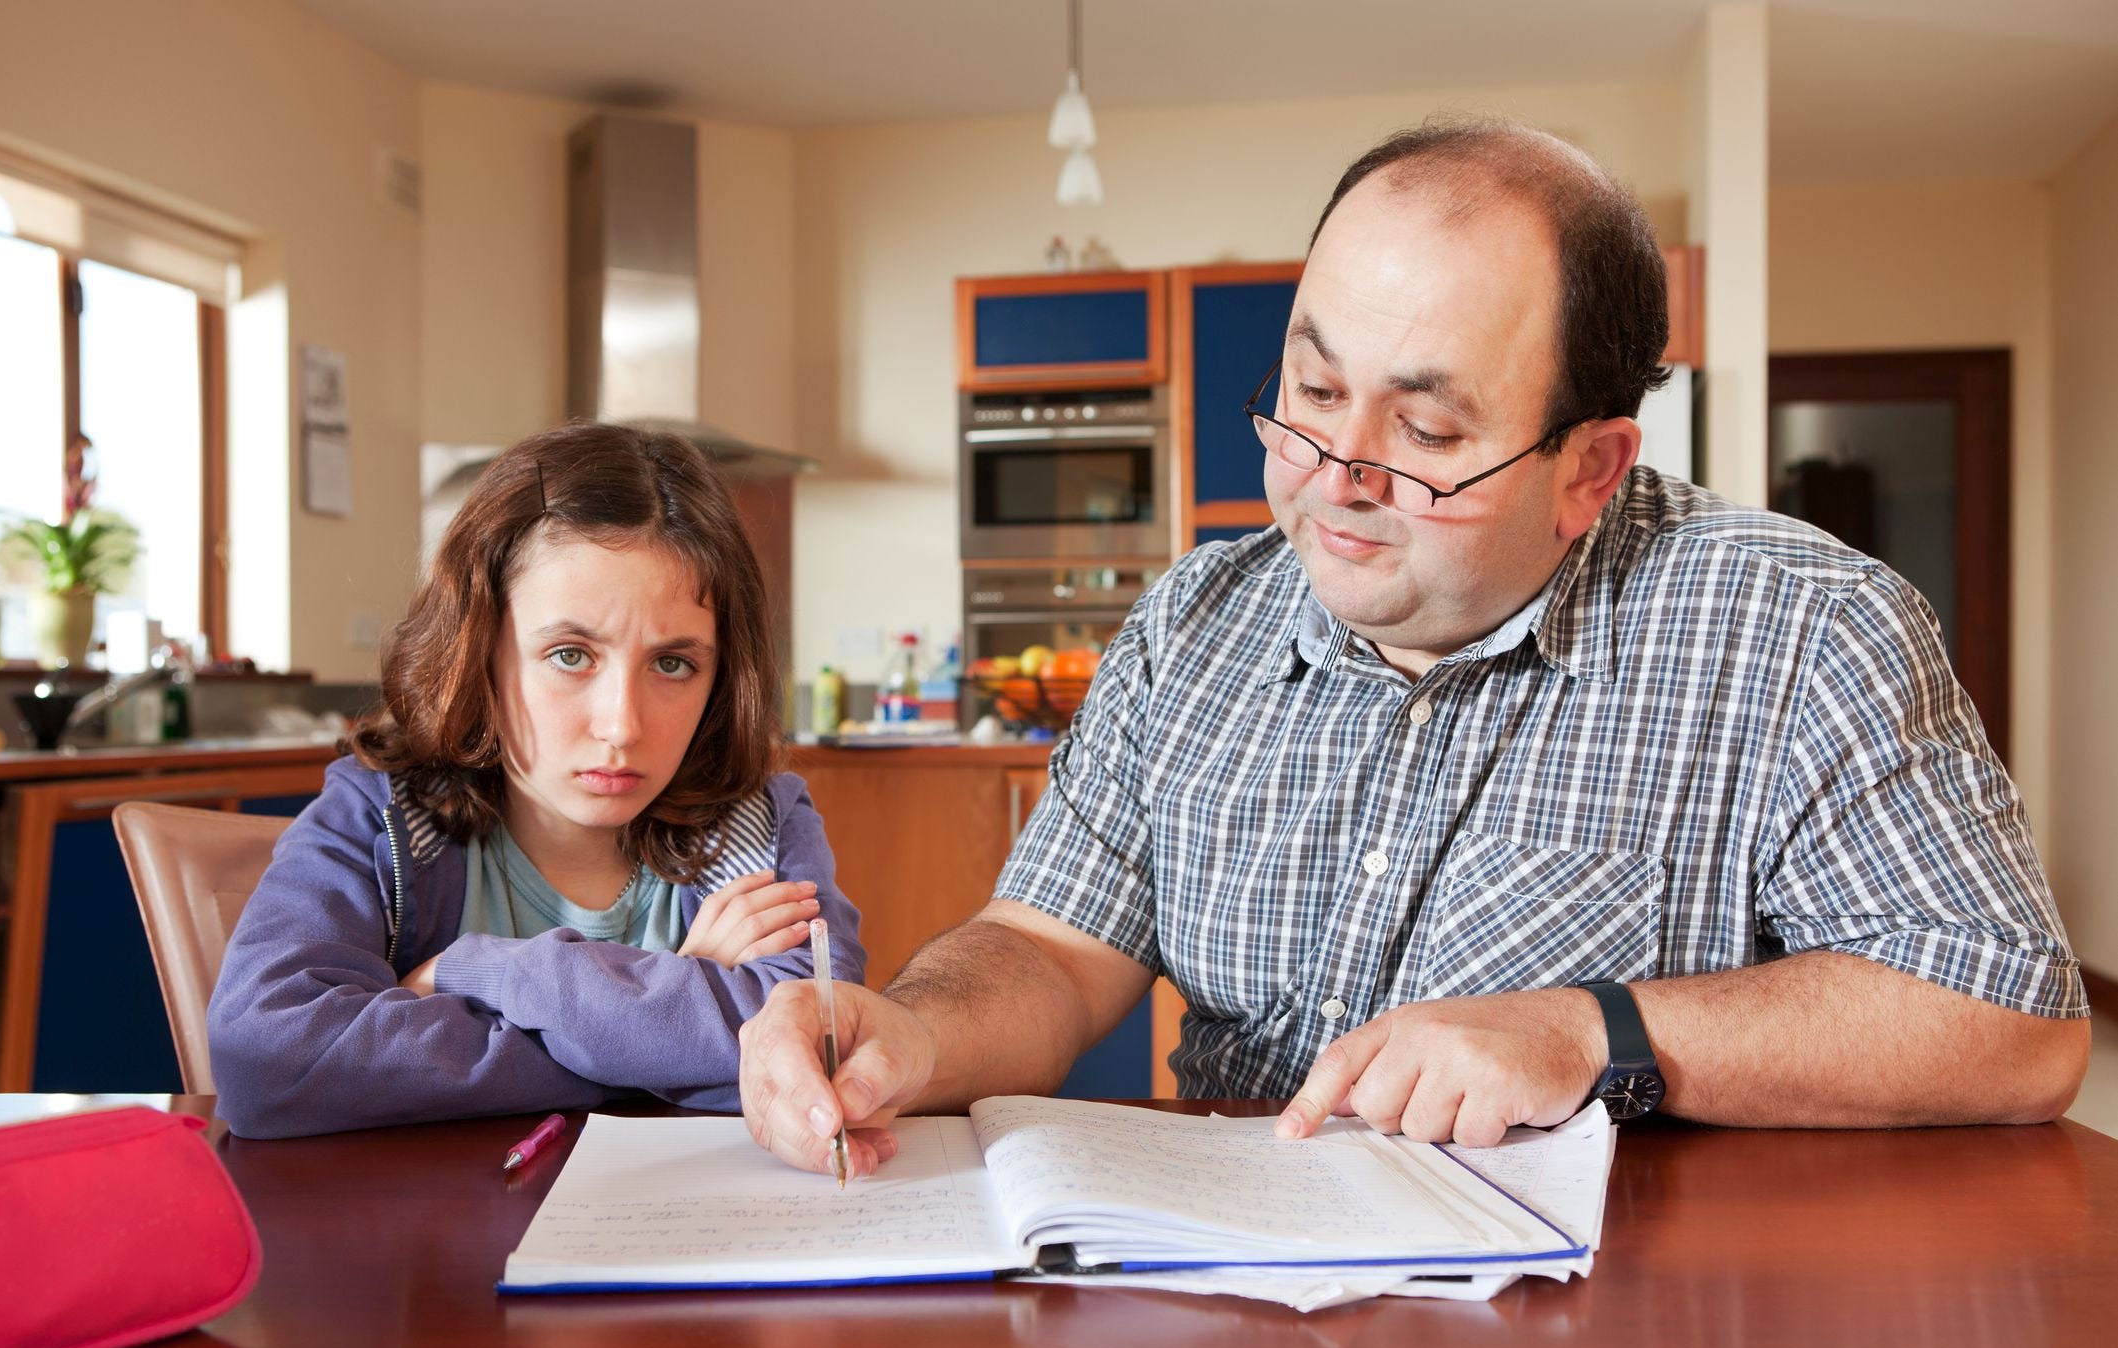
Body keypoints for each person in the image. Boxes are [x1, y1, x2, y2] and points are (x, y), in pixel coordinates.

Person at [739, 117, 2090, 1177]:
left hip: (1604, 1325)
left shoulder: (1802, 629)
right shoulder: (1193, 624)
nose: (1336, 473)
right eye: (1314, 389)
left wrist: (1591, 1029)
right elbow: (1047, 949)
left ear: (1591, 468)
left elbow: (2013, 1025)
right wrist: (914, 1028)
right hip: (1237, 1277)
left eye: (1429, 433)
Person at [210, 422, 859, 1138]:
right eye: (570, 655)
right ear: (479, 646)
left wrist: (485, 972)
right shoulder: (378, 814)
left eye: (673, 664)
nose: (621, 725)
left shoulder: (760, 824)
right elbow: (267, 1061)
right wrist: (674, 1000)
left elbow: (819, 1046)